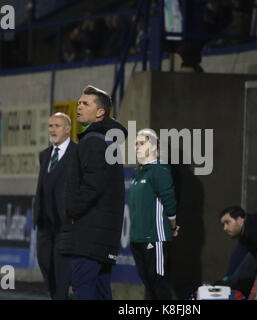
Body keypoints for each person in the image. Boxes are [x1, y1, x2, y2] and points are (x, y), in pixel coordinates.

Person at [58, 85, 127, 300]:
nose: (79, 106)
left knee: (84, 289)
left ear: (100, 113)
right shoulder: (107, 142)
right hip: (102, 237)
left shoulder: (92, 142)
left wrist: (71, 209)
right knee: (100, 292)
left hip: (89, 236)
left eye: (85, 103)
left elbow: (92, 186)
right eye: (79, 103)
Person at [129, 128, 180, 300]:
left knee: (158, 285)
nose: (137, 147)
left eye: (142, 143)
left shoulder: (159, 169)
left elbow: (169, 199)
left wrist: (172, 224)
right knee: (149, 286)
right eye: (136, 144)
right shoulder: (138, 172)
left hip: (154, 238)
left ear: (154, 147)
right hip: (138, 238)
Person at [33, 112, 76, 300]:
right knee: (46, 266)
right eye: (50, 126)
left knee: (62, 273)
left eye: (57, 126)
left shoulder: (78, 153)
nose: (52, 130)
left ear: (68, 129)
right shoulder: (44, 155)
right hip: (44, 225)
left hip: (65, 224)